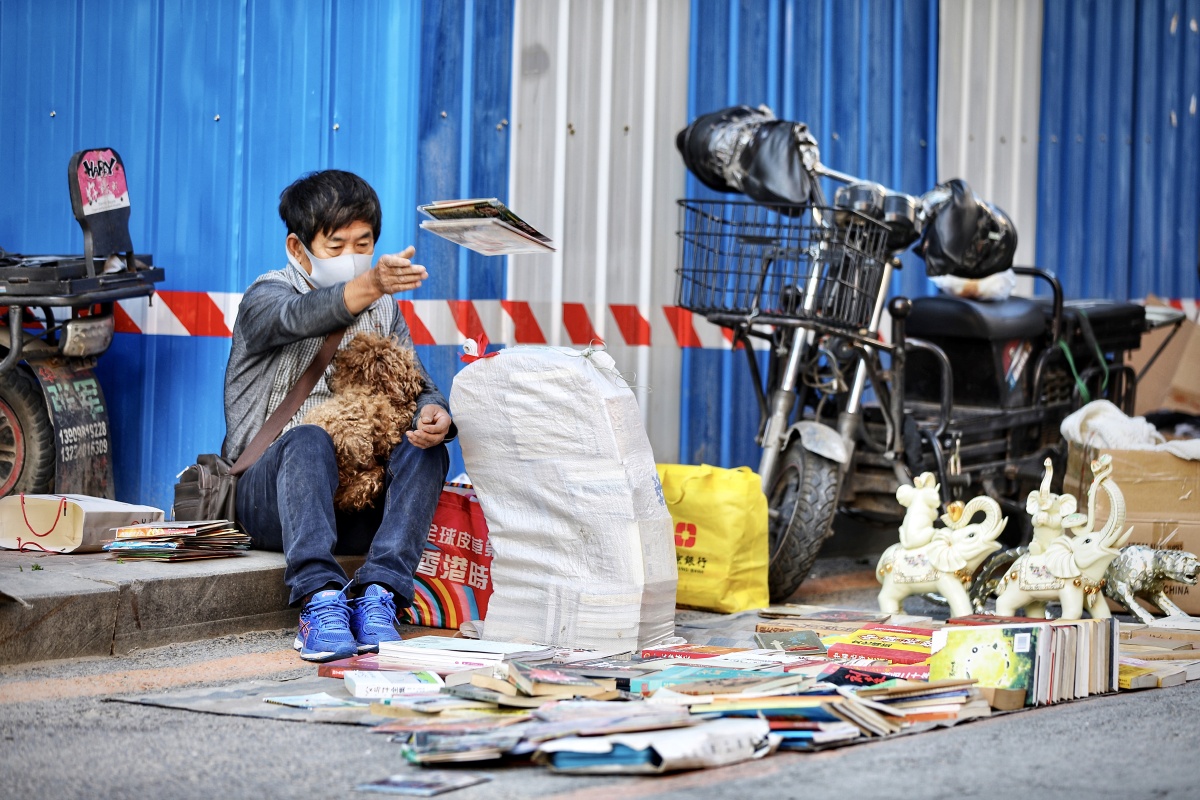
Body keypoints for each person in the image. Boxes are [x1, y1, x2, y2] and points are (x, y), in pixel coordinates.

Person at [223, 169, 453, 662]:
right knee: (309, 438)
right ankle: (318, 599)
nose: (353, 258)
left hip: (354, 501)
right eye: (336, 246)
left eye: (363, 243)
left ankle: (381, 596)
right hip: (271, 499)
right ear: (298, 248)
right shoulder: (265, 298)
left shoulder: (384, 309)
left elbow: (417, 384)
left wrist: (434, 413)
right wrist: (369, 284)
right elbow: (299, 318)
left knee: (425, 450)